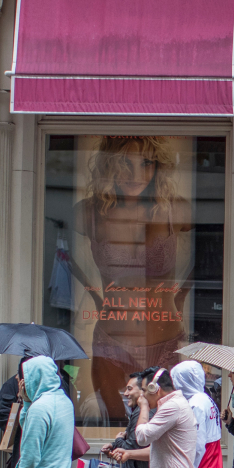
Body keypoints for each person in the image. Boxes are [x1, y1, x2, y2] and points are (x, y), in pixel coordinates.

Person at [70, 136, 194, 423]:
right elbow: (65, 260)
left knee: (163, 431)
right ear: (108, 165)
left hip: (165, 340)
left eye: (147, 163)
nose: (135, 175)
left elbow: (212, 257)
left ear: (159, 167)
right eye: (124, 163)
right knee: (117, 427)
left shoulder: (177, 210)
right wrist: (96, 297)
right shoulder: (88, 213)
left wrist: (180, 296)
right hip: (112, 341)